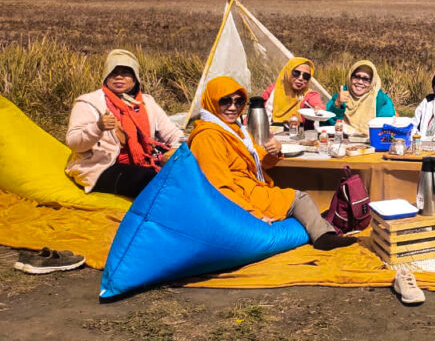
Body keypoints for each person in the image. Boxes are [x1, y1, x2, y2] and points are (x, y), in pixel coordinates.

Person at [190, 76, 356, 250]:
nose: (233, 107)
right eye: (225, 101)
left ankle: (319, 227)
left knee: (300, 199)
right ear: (211, 101)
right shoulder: (208, 137)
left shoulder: (233, 129)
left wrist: (275, 151)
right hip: (242, 197)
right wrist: (252, 214)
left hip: (249, 188)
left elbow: (258, 160)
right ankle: (324, 237)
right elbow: (218, 187)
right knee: (300, 198)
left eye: (238, 102)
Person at [66, 49, 183, 198]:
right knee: (149, 180)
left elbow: (173, 134)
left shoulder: (146, 103)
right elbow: (74, 142)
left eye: (126, 72)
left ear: (135, 78)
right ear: (106, 76)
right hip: (100, 167)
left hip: (145, 162)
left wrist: (178, 151)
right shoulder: (89, 103)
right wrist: (98, 128)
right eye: (113, 72)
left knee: (181, 174)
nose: (119, 77)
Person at [325, 60, 396, 134]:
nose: (360, 82)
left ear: (372, 82)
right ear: (350, 77)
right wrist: (337, 105)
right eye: (356, 77)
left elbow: (387, 129)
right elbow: (327, 125)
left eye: (366, 79)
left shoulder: (381, 100)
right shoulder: (340, 96)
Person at [261, 57, 325, 129]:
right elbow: (258, 110)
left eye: (306, 76)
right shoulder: (273, 90)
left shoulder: (310, 94)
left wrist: (318, 108)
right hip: (272, 131)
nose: (301, 78)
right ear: (288, 72)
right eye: (296, 73)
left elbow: (317, 104)